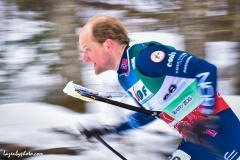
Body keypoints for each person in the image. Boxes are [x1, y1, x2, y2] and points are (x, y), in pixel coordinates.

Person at [79, 15, 240, 160]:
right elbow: (149, 114)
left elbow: (205, 69)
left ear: (108, 44)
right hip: (197, 140)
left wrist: (206, 117)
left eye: (88, 50)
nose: (84, 58)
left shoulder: (145, 58)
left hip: (220, 134)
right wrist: (111, 130)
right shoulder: (125, 77)